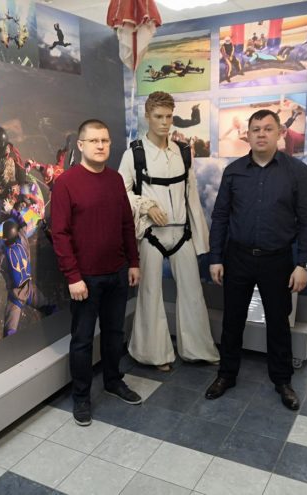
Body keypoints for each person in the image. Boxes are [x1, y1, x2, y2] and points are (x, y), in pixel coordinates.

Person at [205, 109, 307, 411]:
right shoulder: (234, 171)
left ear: (280, 132)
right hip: (238, 257)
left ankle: (282, 380)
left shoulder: (296, 171)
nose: (261, 134)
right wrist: (215, 257)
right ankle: (226, 375)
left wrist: (303, 263)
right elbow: (220, 216)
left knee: (278, 322)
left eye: (268, 128)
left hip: (277, 260)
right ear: (248, 135)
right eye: (256, 129)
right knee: (232, 320)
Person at [119, 91, 219, 371]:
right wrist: (146, 205)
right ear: (147, 117)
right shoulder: (134, 154)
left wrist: (200, 240)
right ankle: (152, 354)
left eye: (169, 116)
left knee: (192, 292)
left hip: (181, 233)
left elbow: (192, 196)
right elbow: (121, 192)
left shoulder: (183, 152)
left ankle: (198, 349)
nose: (164, 122)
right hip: (151, 234)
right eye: (158, 116)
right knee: (150, 294)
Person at [51, 119, 141, 426]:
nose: (101, 146)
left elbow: (126, 224)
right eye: (94, 141)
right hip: (85, 279)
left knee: (115, 334)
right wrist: (73, 277)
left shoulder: (115, 180)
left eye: (105, 140)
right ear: (81, 145)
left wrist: (133, 262)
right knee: (83, 340)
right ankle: (81, 398)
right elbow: (60, 234)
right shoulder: (66, 183)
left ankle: (114, 381)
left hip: (117, 272)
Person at [0, 217, 54, 337]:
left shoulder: (0, 256)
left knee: (9, 332)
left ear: (5, 238)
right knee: (50, 307)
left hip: (16, 296)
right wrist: (14, 213)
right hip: (30, 289)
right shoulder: (23, 241)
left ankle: (11, 347)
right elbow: (23, 225)